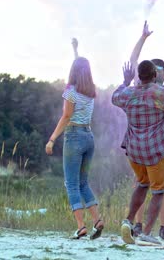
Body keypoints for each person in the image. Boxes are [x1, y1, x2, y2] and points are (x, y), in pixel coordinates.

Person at [112, 55, 164, 245]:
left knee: (142, 184)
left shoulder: (129, 93)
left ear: (139, 76)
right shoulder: (160, 94)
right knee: (159, 190)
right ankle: (146, 234)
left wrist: (125, 81)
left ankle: (128, 221)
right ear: (155, 75)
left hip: (134, 151)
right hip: (156, 151)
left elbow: (115, 97)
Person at [128, 21, 164, 241]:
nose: (159, 72)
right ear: (151, 73)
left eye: (161, 69)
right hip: (143, 143)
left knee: (161, 187)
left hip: (161, 145)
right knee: (143, 185)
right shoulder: (141, 86)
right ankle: (139, 225)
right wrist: (142, 38)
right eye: (155, 68)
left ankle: (162, 226)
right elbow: (133, 62)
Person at [45, 38, 103, 240]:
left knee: (71, 184)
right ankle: (97, 220)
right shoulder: (90, 90)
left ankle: (81, 226)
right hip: (89, 138)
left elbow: (66, 117)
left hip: (74, 138)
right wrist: (76, 50)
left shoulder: (70, 92)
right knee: (83, 182)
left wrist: (52, 139)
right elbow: (82, 70)